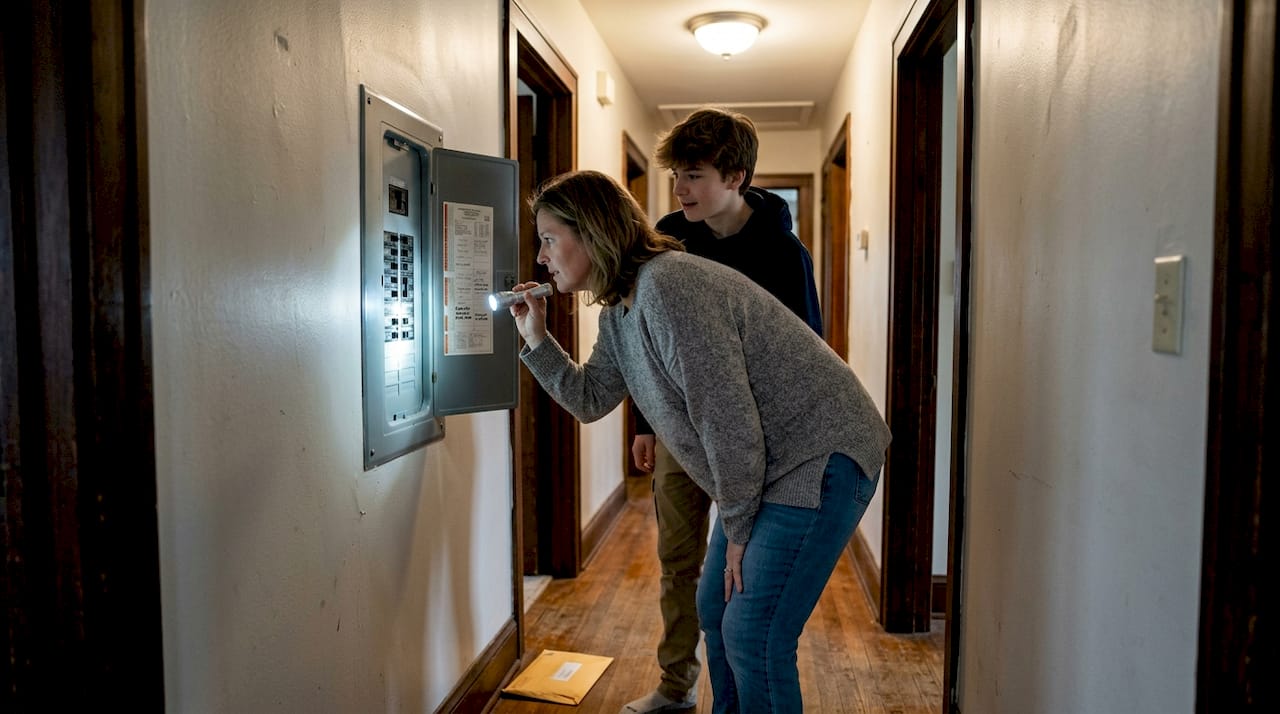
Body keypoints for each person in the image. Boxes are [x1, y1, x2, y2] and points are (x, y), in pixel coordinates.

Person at [510, 170, 891, 714]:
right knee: (715, 607)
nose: (541, 257)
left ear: (592, 232)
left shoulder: (668, 287)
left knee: (754, 634)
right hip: (773, 460)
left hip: (820, 454)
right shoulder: (621, 308)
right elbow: (590, 399)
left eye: (549, 238)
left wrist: (738, 530)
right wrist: (537, 338)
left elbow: (728, 424)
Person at [624, 107, 824, 714]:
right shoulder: (664, 240)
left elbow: (807, 357)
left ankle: (735, 697)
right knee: (678, 564)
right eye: (675, 176)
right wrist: (644, 422)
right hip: (680, 432)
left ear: (735, 177)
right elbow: (643, 337)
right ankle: (676, 685)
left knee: (740, 580)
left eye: (694, 176)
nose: (679, 190)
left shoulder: (784, 253)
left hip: (755, 442)